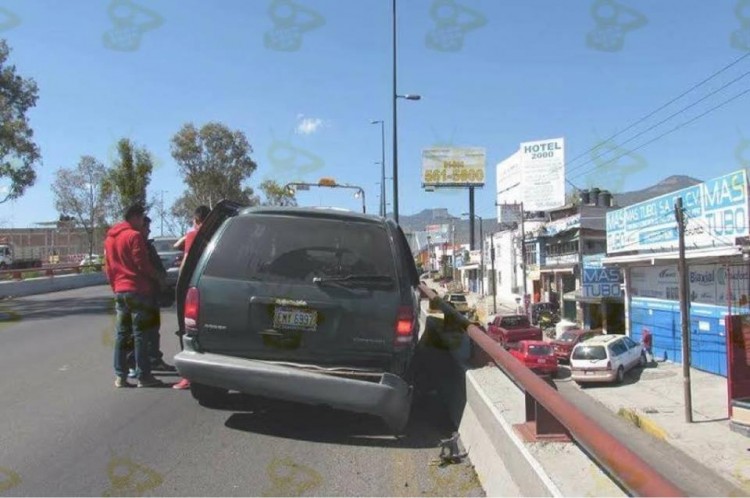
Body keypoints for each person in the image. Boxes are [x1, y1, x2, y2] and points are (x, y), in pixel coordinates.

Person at [104, 203, 165, 388]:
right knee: (141, 335)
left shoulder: (109, 239)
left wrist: (115, 287)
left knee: (122, 334)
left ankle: (120, 375)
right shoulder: (134, 236)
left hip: (121, 292)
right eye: (141, 219)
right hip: (138, 290)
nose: (142, 223)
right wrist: (158, 277)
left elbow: (108, 268)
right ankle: (143, 376)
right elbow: (142, 264)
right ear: (135, 218)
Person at [126, 216, 176, 378]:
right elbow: (144, 267)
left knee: (153, 330)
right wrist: (157, 278)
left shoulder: (147, 245)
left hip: (151, 293)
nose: (148, 230)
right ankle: (135, 364)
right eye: (146, 227)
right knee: (139, 332)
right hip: (142, 293)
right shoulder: (136, 245)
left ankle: (153, 359)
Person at [172, 205, 211, 390]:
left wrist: (180, 284)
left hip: (192, 286)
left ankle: (188, 376)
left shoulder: (193, 236)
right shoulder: (217, 235)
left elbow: (185, 259)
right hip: (212, 287)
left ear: (196, 220)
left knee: (187, 329)